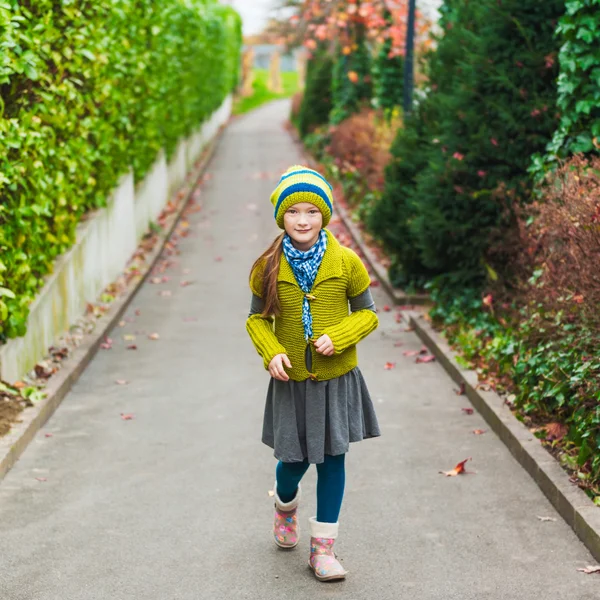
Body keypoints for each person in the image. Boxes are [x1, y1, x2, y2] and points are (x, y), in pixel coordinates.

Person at [246, 165, 381, 582]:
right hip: (291, 381)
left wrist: (339, 336)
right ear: (281, 218)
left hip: (335, 378)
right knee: (293, 461)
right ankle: (285, 504)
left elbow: (368, 314)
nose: (302, 220)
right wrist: (271, 352)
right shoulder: (267, 266)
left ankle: (323, 549)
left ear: (325, 215)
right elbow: (255, 321)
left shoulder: (347, 263)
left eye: (311, 211)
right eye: (293, 212)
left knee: (333, 458)